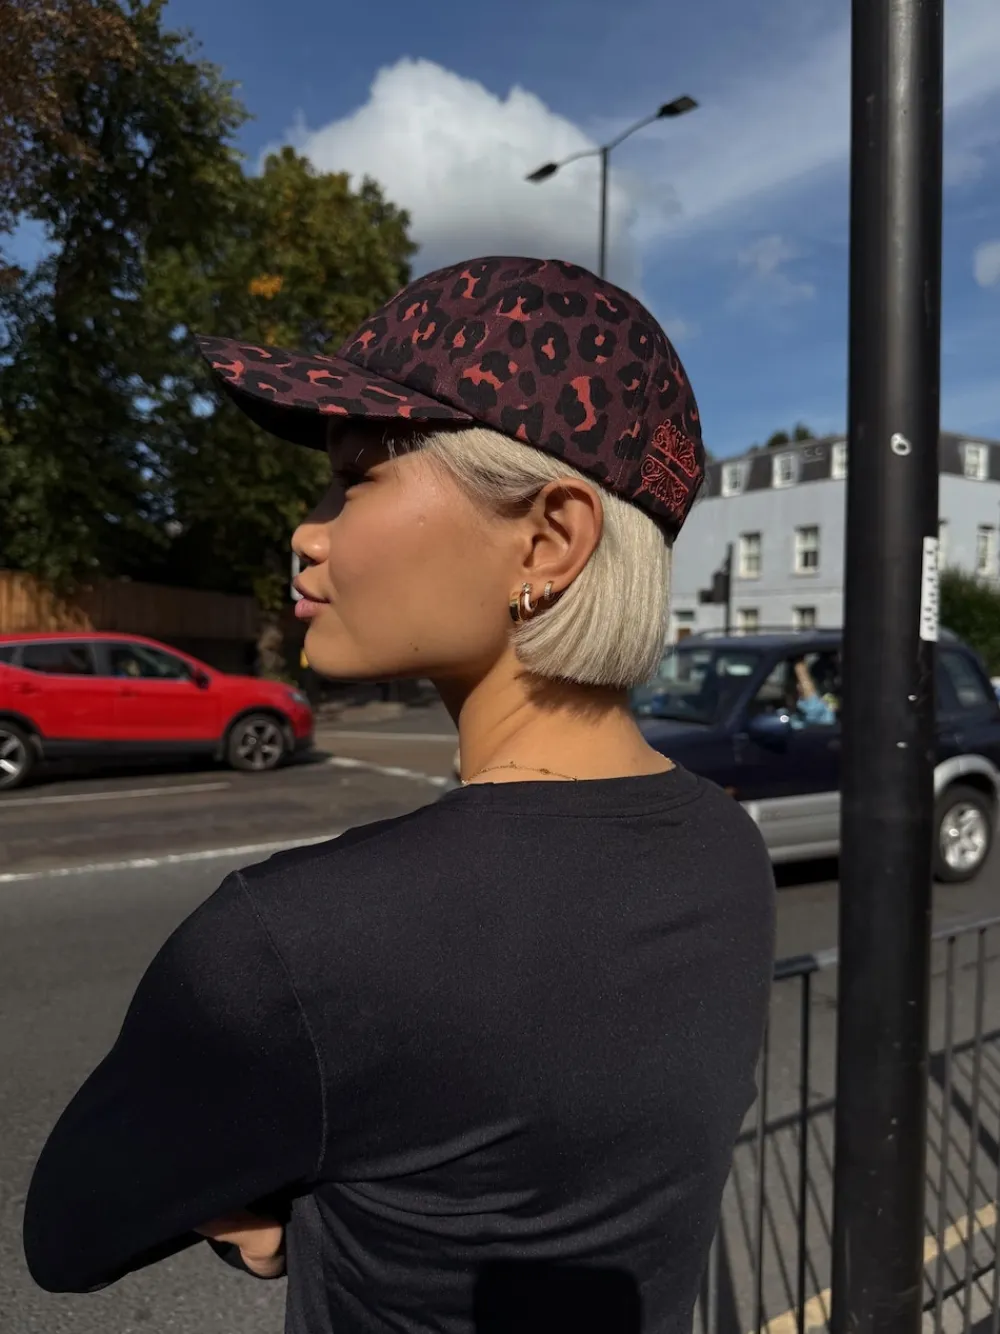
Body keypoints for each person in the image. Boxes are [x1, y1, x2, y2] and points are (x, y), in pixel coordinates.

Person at [23, 256, 776, 1334]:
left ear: (548, 539)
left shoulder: (297, 941)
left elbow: (67, 1234)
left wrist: (277, 1213)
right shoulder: (725, 848)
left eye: (358, 474)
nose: (307, 529)